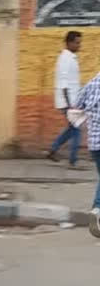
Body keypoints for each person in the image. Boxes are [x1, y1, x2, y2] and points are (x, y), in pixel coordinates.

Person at [47, 31, 82, 168]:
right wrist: (70, 106)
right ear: (69, 43)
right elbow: (63, 84)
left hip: (72, 100)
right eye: (77, 43)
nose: (79, 45)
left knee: (72, 129)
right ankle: (73, 161)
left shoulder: (71, 58)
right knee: (76, 129)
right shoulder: (65, 59)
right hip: (68, 102)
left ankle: (53, 150)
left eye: (80, 42)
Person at [74, 69, 100, 235]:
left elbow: (77, 105)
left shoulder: (92, 82)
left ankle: (97, 210)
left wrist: (86, 122)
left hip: (94, 143)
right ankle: (97, 209)